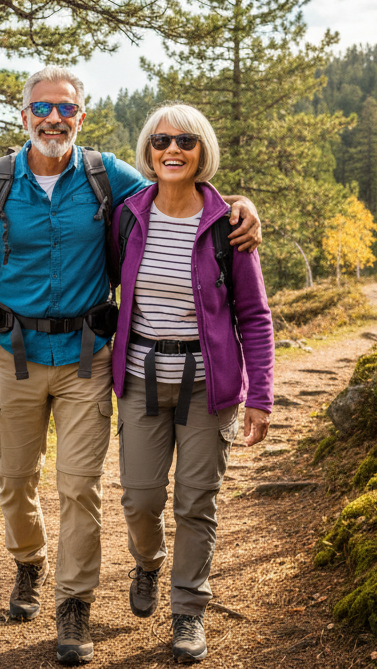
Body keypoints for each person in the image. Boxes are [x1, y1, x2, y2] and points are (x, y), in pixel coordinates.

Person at [0, 68, 262, 666]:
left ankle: (75, 603)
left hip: (88, 359)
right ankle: (29, 562)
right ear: (24, 116)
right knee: (15, 482)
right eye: (42, 107)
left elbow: (178, 192)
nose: (53, 119)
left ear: (80, 117)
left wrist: (241, 209)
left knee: (79, 487)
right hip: (14, 356)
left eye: (66, 109)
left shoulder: (106, 176)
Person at [109, 103, 273, 664]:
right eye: (160, 142)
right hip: (140, 380)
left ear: (203, 150)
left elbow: (254, 316)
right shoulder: (129, 217)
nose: (172, 150)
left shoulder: (227, 226)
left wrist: (261, 397)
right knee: (140, 499)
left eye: (185, 141)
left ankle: (188, 611)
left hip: (210, 388)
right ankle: (148, 563)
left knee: (196, 503)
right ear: (147, 152)